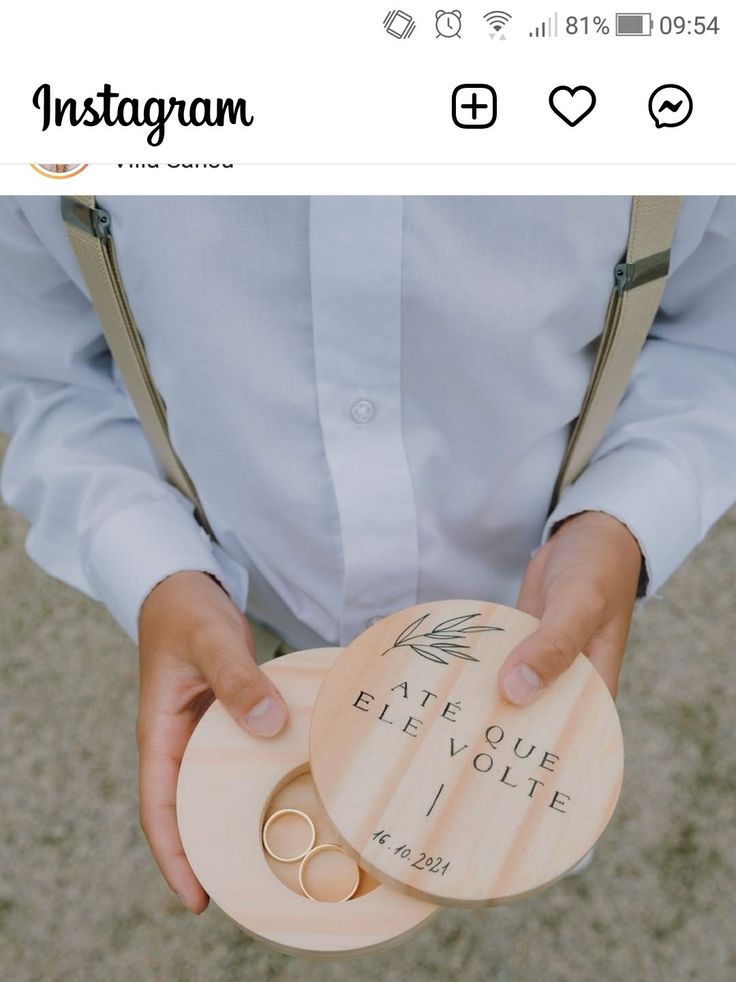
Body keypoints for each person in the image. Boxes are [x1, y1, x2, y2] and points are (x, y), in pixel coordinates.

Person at [1, 197, 735, 913]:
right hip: (259, 576)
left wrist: (621, 519)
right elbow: (44, 369)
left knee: (497, 809)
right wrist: (156, 568)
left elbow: (716, 338)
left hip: (527, 587)